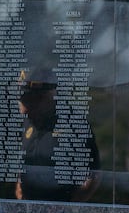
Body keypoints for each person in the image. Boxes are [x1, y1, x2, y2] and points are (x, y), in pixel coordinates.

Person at [15, 71, 100, 202]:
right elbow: (23, 163)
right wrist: (20, 189)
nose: (24, 109)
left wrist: (70, 205)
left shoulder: (74, 123)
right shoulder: (27, 122)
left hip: (58, 212)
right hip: (28, 210)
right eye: (22, 101)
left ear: (48, 96)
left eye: (30, 101)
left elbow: (93, 176)